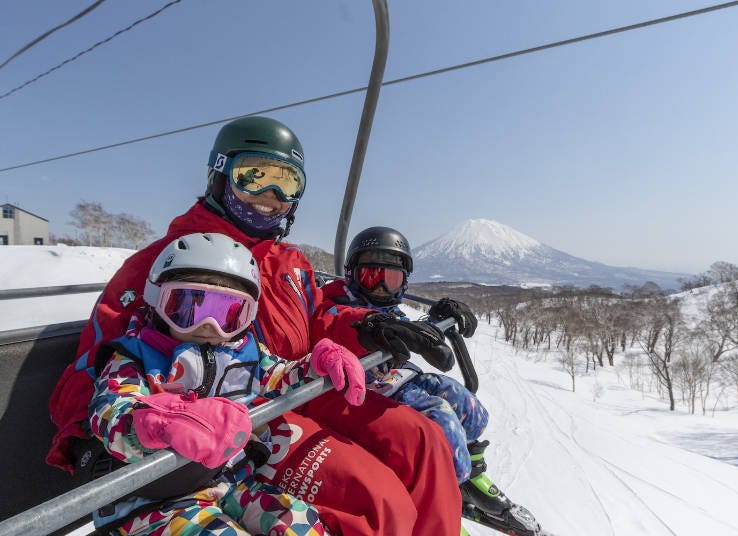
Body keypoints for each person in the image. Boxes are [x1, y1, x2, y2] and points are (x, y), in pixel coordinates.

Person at [48, 116, 462, 535]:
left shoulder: (290, 262)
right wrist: (88, 437)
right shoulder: (168, 264)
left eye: (287, 184)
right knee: (376, 501)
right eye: (254, 177)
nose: (271, 195)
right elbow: (100, 360)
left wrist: (369, 326)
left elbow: (319, 317)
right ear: (220, 174)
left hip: (293, 385)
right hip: (249, 412)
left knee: (423, 440)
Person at [89, 232, 368, 534]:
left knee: (301, 525)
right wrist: (158, 423)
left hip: (233, 483)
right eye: (188, 308)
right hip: (154, 502)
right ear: (157, 301)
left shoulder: (244, 351)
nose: (208, 327)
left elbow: (278, 375)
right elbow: (110, 414)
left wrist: (315, 364)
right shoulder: (135, 357)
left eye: (229, 314)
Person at [322, 226, 545, 536]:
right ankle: (442, 497)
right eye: (373, 277)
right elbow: (333, 325)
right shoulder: (335, 305)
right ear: (352, 274)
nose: (382, 289)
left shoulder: (387, 307)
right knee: (440, 420)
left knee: (470, 408)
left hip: (402, 377)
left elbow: (407, 332)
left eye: (393, 279)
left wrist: (437, 317)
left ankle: (469, 479)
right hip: (371, 390)